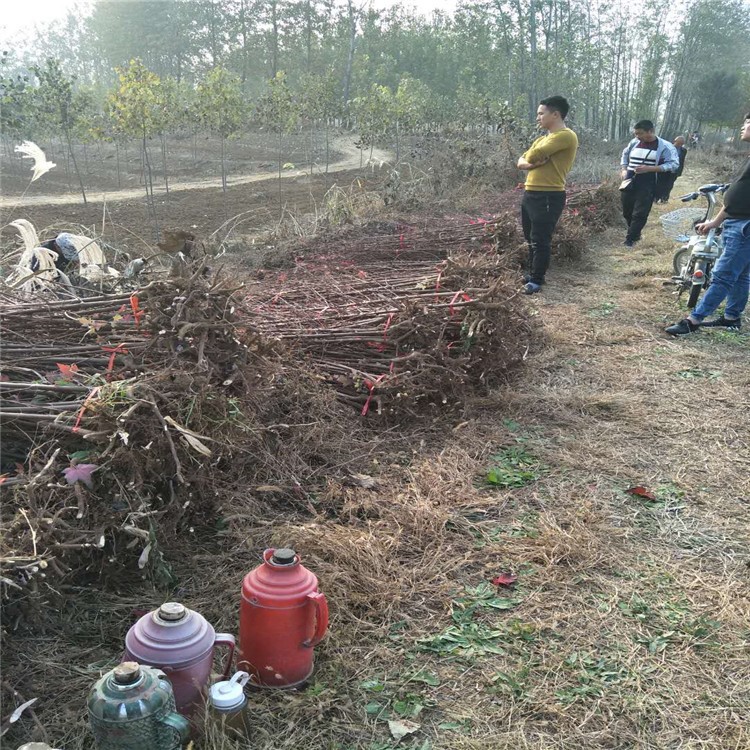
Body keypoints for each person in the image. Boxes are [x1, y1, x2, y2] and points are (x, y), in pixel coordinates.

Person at [665, 112, 750, 335]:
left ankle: (693, 321)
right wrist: (714, 222)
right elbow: (736, 195)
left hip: (744, 227)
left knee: (722, 275)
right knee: (741, 276)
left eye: (747, 123)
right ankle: (732, 317)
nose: (743, 127)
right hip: (736, 222)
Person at [516, 95, 579, 294]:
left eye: (541, 113)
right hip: (531, 193)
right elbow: (522, 160)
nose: (538, 118)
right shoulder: (543, 138)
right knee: (529, 236)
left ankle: (537, 279)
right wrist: (528, 163)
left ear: (556, 114)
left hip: (548, 195)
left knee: (540, 238)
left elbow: (532, 155)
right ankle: (533, 272)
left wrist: (529, 160)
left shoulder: (565, 135)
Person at [619, 120, 679, 247]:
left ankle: (631, 239)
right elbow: (625, 154)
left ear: (650, 131)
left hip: (648, 181)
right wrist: (624, 169)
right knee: (626, 210)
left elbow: (673, 164)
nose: (637, 136)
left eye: (640, 133)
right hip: (629, 179)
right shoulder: (634, 142)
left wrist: (649, 169)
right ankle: (635, 232)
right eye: (635, 134)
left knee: (640, 212)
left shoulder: (665, 146)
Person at [655, 136, 688, 203]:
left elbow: (681, 161)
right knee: (660, 184)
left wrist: (679, 171)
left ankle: (664, 199)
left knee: (669, 185)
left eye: (681, 144)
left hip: (674, 171)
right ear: (674, 141)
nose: (679, 145)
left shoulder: (683, 150)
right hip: (665, 170)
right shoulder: (667, 148)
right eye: (678, 143)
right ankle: (656, 198)